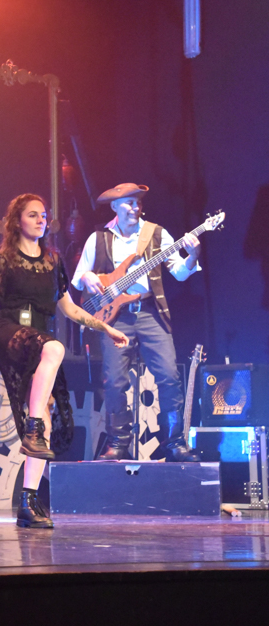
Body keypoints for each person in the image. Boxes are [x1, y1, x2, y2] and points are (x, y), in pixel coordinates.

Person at [0, 194, 128, 528]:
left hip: (40, 344)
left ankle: (28, 502)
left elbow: (71, 309)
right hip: (11, 334)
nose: (41, 220)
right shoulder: (5, 261)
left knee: (43, 415)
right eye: (33, 215)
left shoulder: (53, 262)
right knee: (56, 349)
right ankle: (31, 427)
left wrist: (106, 328)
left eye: (44, 215)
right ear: (18, 221)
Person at [71, 183, 202, 461]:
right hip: (114, 318)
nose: (135, 208)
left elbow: (179, 272)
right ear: (115, 207)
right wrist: (88, 277)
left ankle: (174, 443)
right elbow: (79, 275)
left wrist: (193, 255)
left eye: (138, 203)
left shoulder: (156, 234)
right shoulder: (98, 238)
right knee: (115, 381)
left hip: (150, 312)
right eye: (129, 203)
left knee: (168, 376)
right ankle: (118, 443)